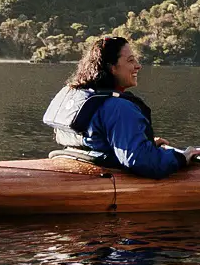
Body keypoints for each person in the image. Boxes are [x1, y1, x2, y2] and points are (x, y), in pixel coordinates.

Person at [41, 36, 191, 177]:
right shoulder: (119, 107)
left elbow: (94, 140)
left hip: (73, 162)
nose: (138, 66)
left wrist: (146, 143)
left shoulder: (80, 95)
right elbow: (139, 161)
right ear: (112, 67)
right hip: (101, 182)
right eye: (131, 60)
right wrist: (181, 158)